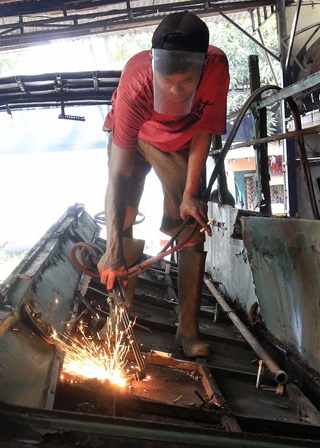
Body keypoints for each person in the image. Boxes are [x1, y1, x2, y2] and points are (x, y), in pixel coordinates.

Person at [98, 11, 230, 357]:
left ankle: (188, 331)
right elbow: (119, 174)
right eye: (166, 80)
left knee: (189, 226)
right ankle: (119, 321)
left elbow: (204, 129)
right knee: (123, 216)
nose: (174, 89)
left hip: (179, 142)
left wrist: (189, 194)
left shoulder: (216, 67)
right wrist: (112, 246)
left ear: (201, 69)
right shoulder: (136, 81)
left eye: (185, 82)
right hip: (135, 138)